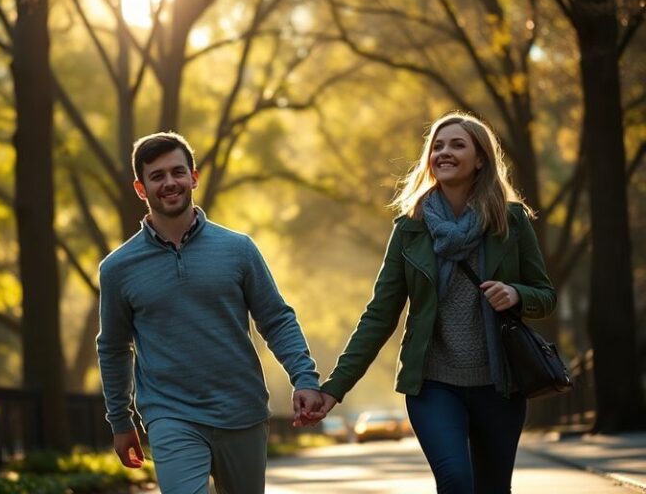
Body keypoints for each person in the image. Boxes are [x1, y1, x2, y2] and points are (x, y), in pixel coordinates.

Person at [316, 112, 556, 494]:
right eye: (437, 146)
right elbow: (379, 315)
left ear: (481, 159)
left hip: (500, 386)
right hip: (433, 386)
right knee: (456, 481)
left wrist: (517, 294)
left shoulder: (510, 222)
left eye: (457, 144)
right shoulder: (410, 229)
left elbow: (545, 296)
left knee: (493, 488)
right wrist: (334, 388)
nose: (443, 152)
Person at [96, 132, 322, 494]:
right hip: (170, 414)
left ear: (194, 177)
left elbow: (276, 318)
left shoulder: (238, 250)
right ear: (141, 188)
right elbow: (113, 347)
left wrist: (304, 378)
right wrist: (121, 421)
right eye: (157, 176)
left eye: (177, 172)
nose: (169, 183)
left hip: (242, 410)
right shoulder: (118, 268)